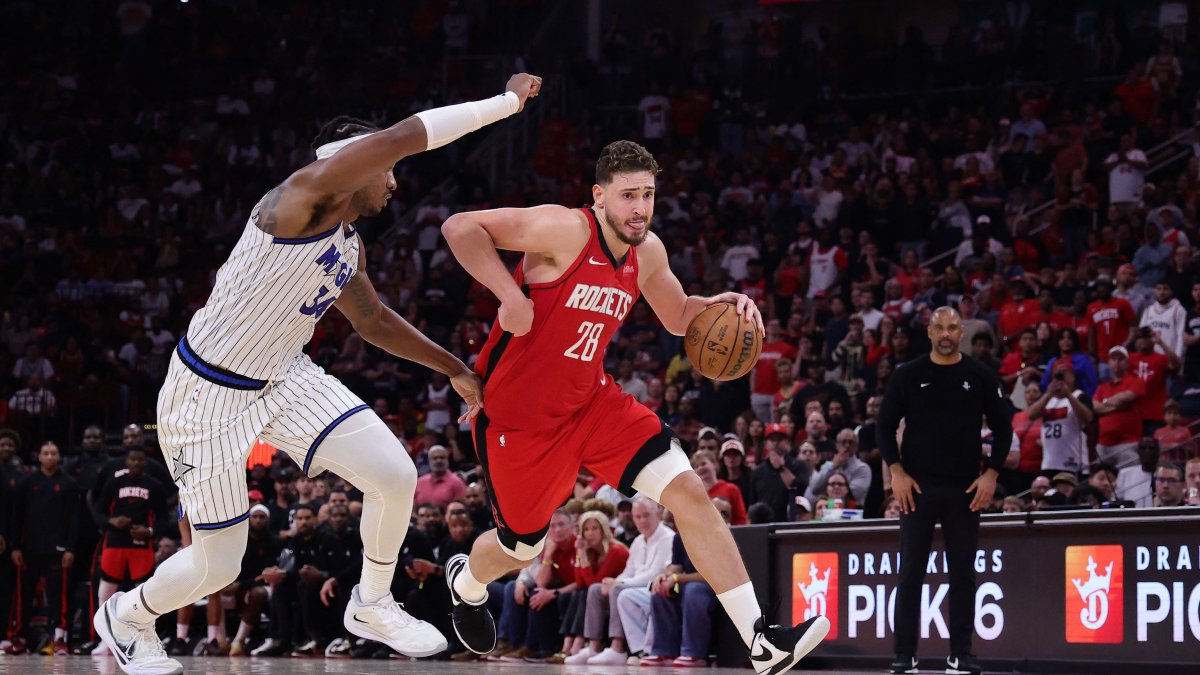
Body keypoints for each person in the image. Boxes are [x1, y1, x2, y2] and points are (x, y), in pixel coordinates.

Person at [93, 73, 545, 674]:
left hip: (283, 376)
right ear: (351, 162)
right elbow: (408, 136)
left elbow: (373, 321)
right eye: (383, 166)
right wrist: (507, 102)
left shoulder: (347, 242)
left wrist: (457, 370)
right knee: (219, 564)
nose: (392, 179)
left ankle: (372, 603)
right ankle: (126, 615)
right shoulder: (303, 196)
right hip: (207, 393)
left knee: (393, 474)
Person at [439, 140, 829, 674]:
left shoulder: (648, 252)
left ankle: (761, 640)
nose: (640, 207)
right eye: (628, 196)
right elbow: (460, 227)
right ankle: (465, 581)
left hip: (592, 404)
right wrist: (509, 293)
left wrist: (720, 304)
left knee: (690, 492)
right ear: (599, 196)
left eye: (647, 194)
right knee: (521, 550)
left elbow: (677, 315)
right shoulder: (564, 229)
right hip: (521, 421)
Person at [877, 307, 1011, 675]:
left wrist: (992, 475)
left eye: (954, 327)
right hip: (915, 489)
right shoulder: (909, 374)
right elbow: (884, 426)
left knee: (964, 574)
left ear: (962, 330)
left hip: (966, 489)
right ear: (930, 331)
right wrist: (896, 472)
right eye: (940, 328)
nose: (947, 334)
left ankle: (961, 655)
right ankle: (904, 656)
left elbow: (1004, 427)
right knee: (910, 575)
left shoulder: (980, 375)